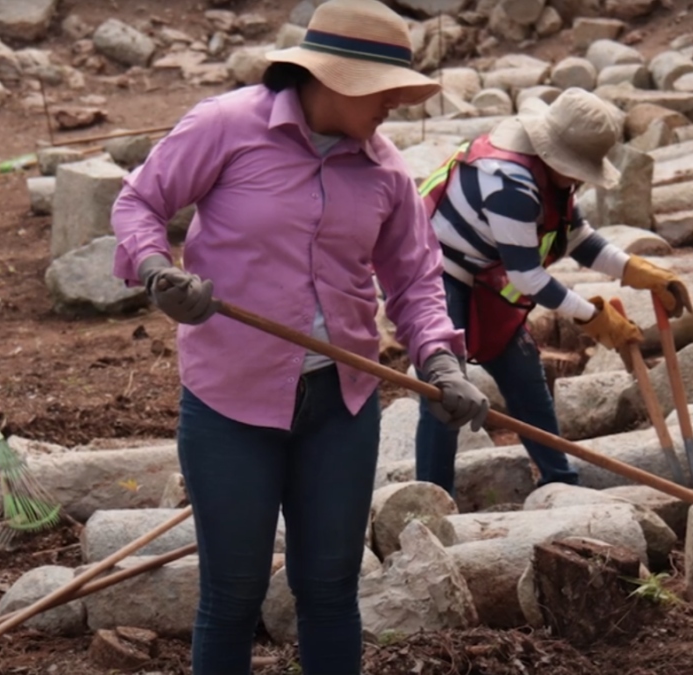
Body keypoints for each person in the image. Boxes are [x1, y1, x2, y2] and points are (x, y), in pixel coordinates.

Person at [111, 1, 489, 671]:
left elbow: (415, 282)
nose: (393, 106)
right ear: (331, 80)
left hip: (338, 407)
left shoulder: (386, 172)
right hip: (231, 401)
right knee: (232, 594)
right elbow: (140, 201)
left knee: (330, 589)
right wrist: (155, 270)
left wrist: (441, 361)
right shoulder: (226, 127)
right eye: (383, 92)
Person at [413, 88, 692, 493]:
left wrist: (636, 270)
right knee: (445, 392)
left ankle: (561, 481)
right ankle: (430, 497)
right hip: (433, 271)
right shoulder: (510, 183)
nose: (580, 177)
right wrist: (593, 318)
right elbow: (527, 277)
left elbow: (578, 238)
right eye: (577, 168)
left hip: (483, 276)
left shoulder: (555, 180)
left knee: (524, 374)